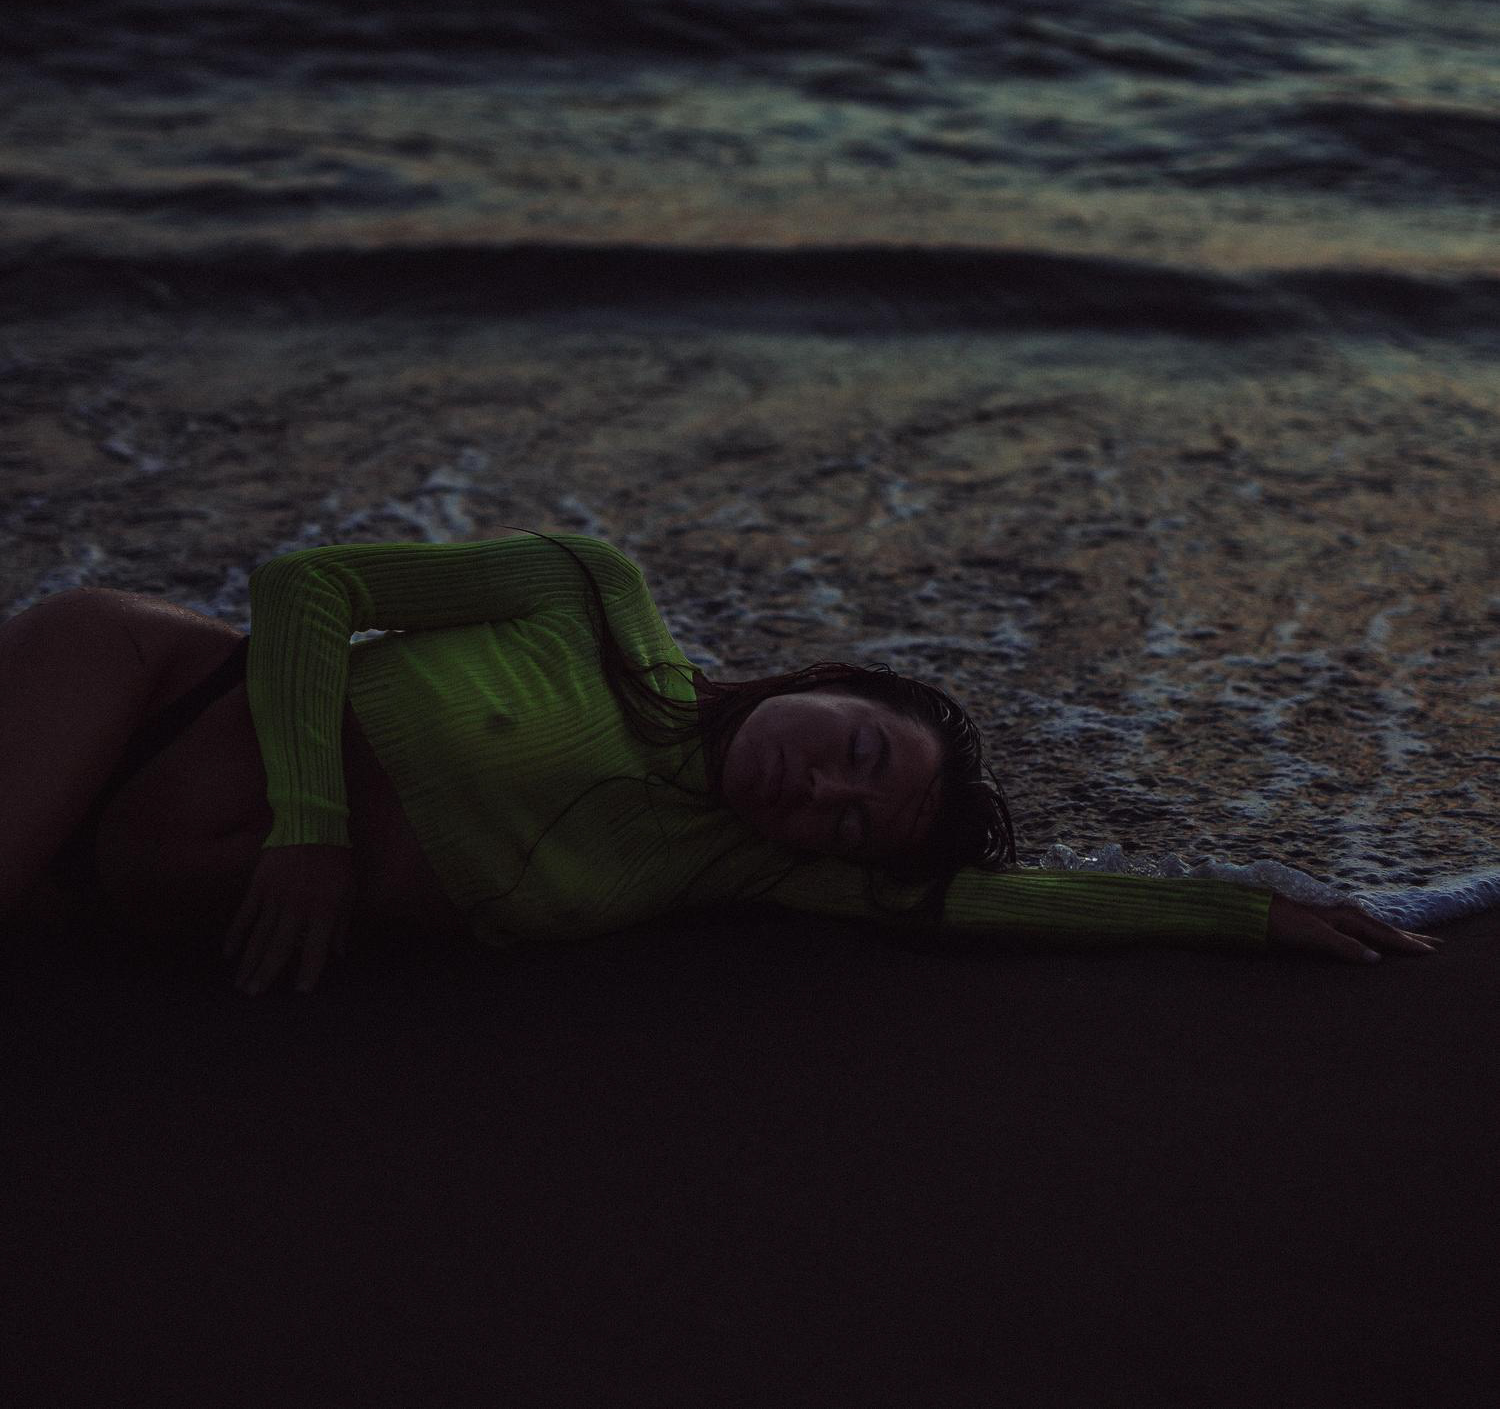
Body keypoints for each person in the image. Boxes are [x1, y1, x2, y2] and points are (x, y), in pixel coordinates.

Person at [1, 530, 1439, 995]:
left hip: (96, 910)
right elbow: (305, 584)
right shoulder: (587, 593)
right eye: (856, 750)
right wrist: (312, 825)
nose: (825, 794)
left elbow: (985, 907)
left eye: (850, 823)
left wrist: (1245, 911)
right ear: (827, 681)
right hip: (137, 693)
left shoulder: (732, 861)